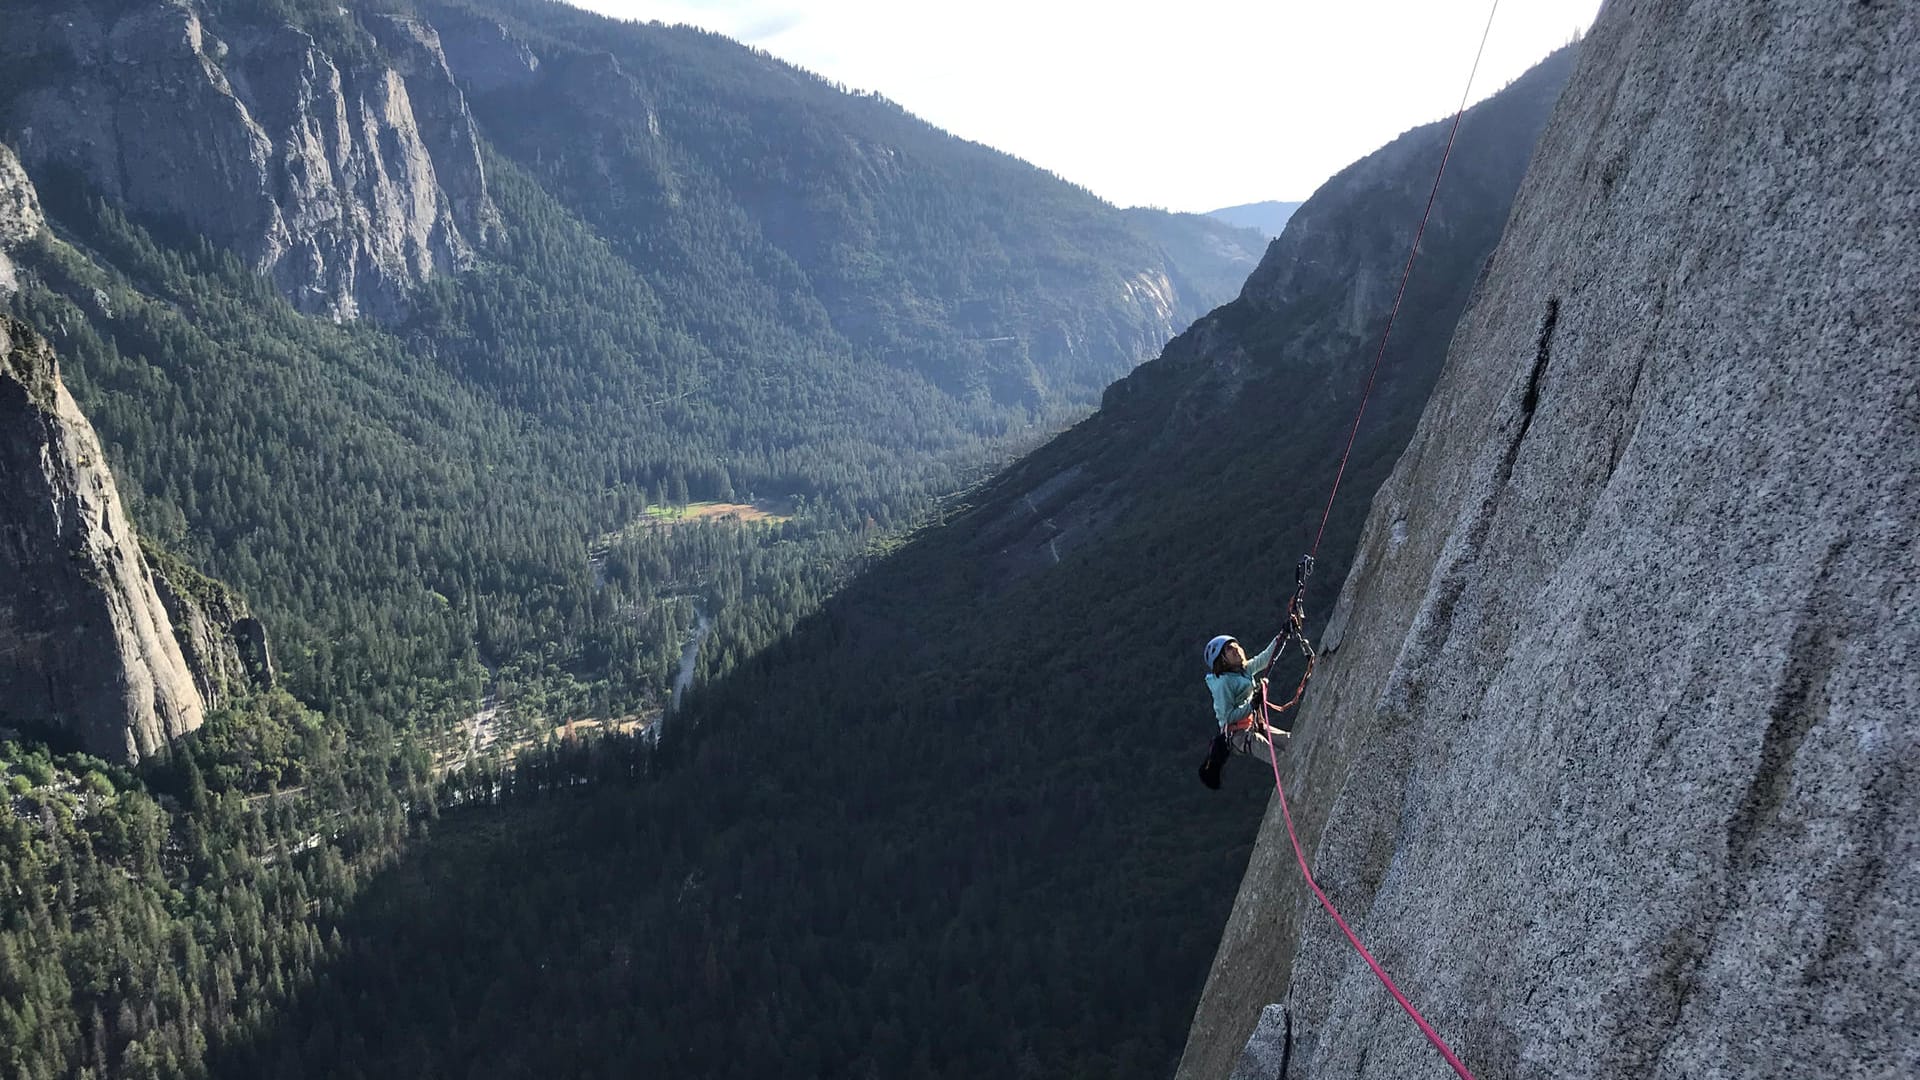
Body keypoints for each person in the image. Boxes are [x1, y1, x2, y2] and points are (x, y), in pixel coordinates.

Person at [1197, 632, 1290, 789]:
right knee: (1279, 758)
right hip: (1238, 735)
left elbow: (1266, 658)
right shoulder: (1223, 683)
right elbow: (1227, 717)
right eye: (1229, 649)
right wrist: (1252, 706)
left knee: (1289, 741)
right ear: (1222, 660)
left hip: (1252, 725)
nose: (1236, 649)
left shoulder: (1243, 670)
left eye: (1236, 646)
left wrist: (1283, 635)